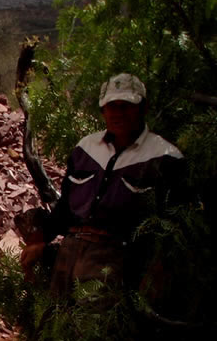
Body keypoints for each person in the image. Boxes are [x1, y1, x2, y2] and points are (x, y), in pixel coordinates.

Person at [20, 73, 185, 296]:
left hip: (117, 265)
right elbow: (66, 210)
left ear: (143, 108)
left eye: (126, 106)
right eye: (111, 106)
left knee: (95, 328)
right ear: (102, 110)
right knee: (55, 324)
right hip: (69, 257)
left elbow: (170, 230)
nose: (118, 113)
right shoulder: (86, 149)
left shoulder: (165, 157)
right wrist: (39, 242)